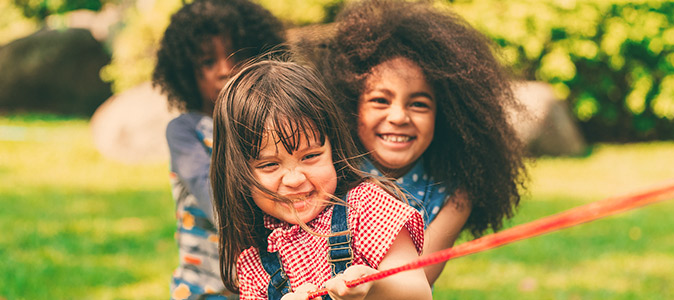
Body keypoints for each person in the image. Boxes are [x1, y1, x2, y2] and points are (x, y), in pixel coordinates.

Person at [318, 0, 528, 285]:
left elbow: (416, 283)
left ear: (446, 116)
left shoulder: (455, 195)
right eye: (380, 100)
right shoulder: (330, 167)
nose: (399, 116)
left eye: (418, 104)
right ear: (350, 106)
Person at [210, 59, 432, 300]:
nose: (295, 179)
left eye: (311, 156)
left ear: (333, 149)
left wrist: (373, 288)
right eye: (270, 164)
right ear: (239, 174)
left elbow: (418, 293)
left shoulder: (366, 207)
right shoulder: (255, 262)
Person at [152, 0, 285, 299]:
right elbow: (214, 200)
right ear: (186, 72)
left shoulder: (272, 125)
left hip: (270, 286)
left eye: (236, 57)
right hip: (207, 287)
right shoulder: (186, 131)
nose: (225, 70)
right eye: (208, 62)